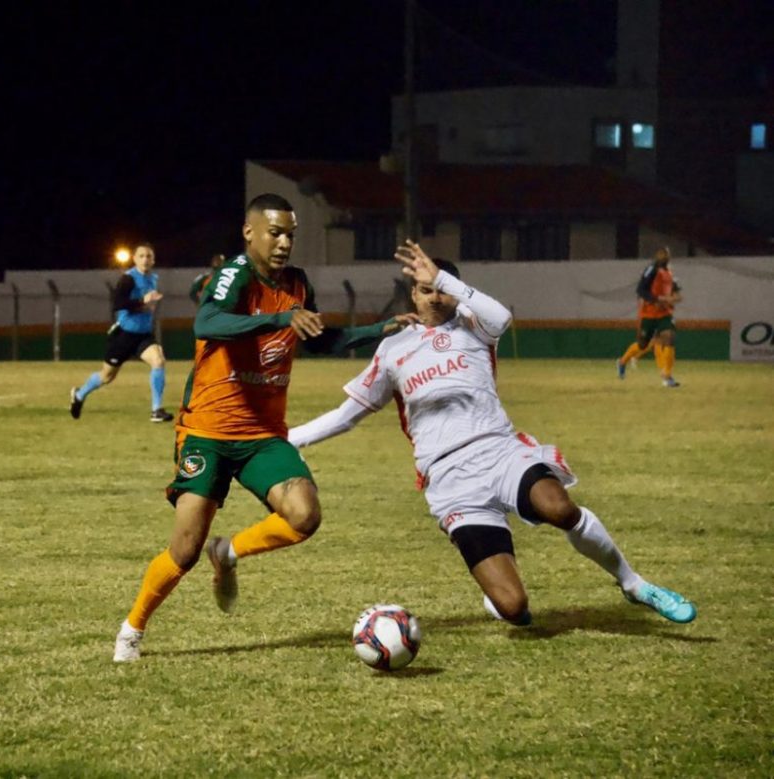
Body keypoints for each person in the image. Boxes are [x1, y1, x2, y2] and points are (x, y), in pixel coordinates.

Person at [288, 240, 697, 628]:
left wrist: (444, 279)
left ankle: (634, 585)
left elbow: (501, 316)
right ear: (412, 295)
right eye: (425, 290)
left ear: (453, 292)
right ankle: (499, 590)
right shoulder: (393, 349)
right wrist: (288, 439)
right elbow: (347, 415)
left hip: (499, 451)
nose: (434, 298)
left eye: (441, 290)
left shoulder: (474, 326)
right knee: (514, 609)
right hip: (449, 479)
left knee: (560, 508)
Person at [112, 193, 409, 662]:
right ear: (249, 233)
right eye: (275, 233)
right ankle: (132, 628)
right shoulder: (235, 274)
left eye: (290, 234)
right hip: (208, 430)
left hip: (262, 435)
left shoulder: (297, 283)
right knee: (184, 550)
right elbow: (207, 323)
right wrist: (280, 318)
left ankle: (228, 552)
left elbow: (319, 340)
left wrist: (379, 330)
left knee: (305, 515)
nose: (284, 242)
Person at [69, 242, 174, 423]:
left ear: (153, 260)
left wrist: (148, 304)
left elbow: (145, 304)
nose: (145, 260)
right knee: (106, 376)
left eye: (148, 256)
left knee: (158, 360)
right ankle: (79, 394)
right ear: (134, 259)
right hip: (124, 335)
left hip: (144, 335)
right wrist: (142, 301)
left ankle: (156, 410)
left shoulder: (153, 278)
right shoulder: (128, 279)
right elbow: (118, 304)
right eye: (141, 256)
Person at [616, 247, 682, 387]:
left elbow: (676, 293)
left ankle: (667, 376)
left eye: (666, 254)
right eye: (662, 254)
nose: (664, 256)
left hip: (664, 313)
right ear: (658, 256)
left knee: (669, 337)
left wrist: (675, 298)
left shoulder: (669, 273)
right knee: (642, 345)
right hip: (649, 314)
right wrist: (657, 299)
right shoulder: (652, 269)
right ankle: (622, 361)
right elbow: (641, 290)